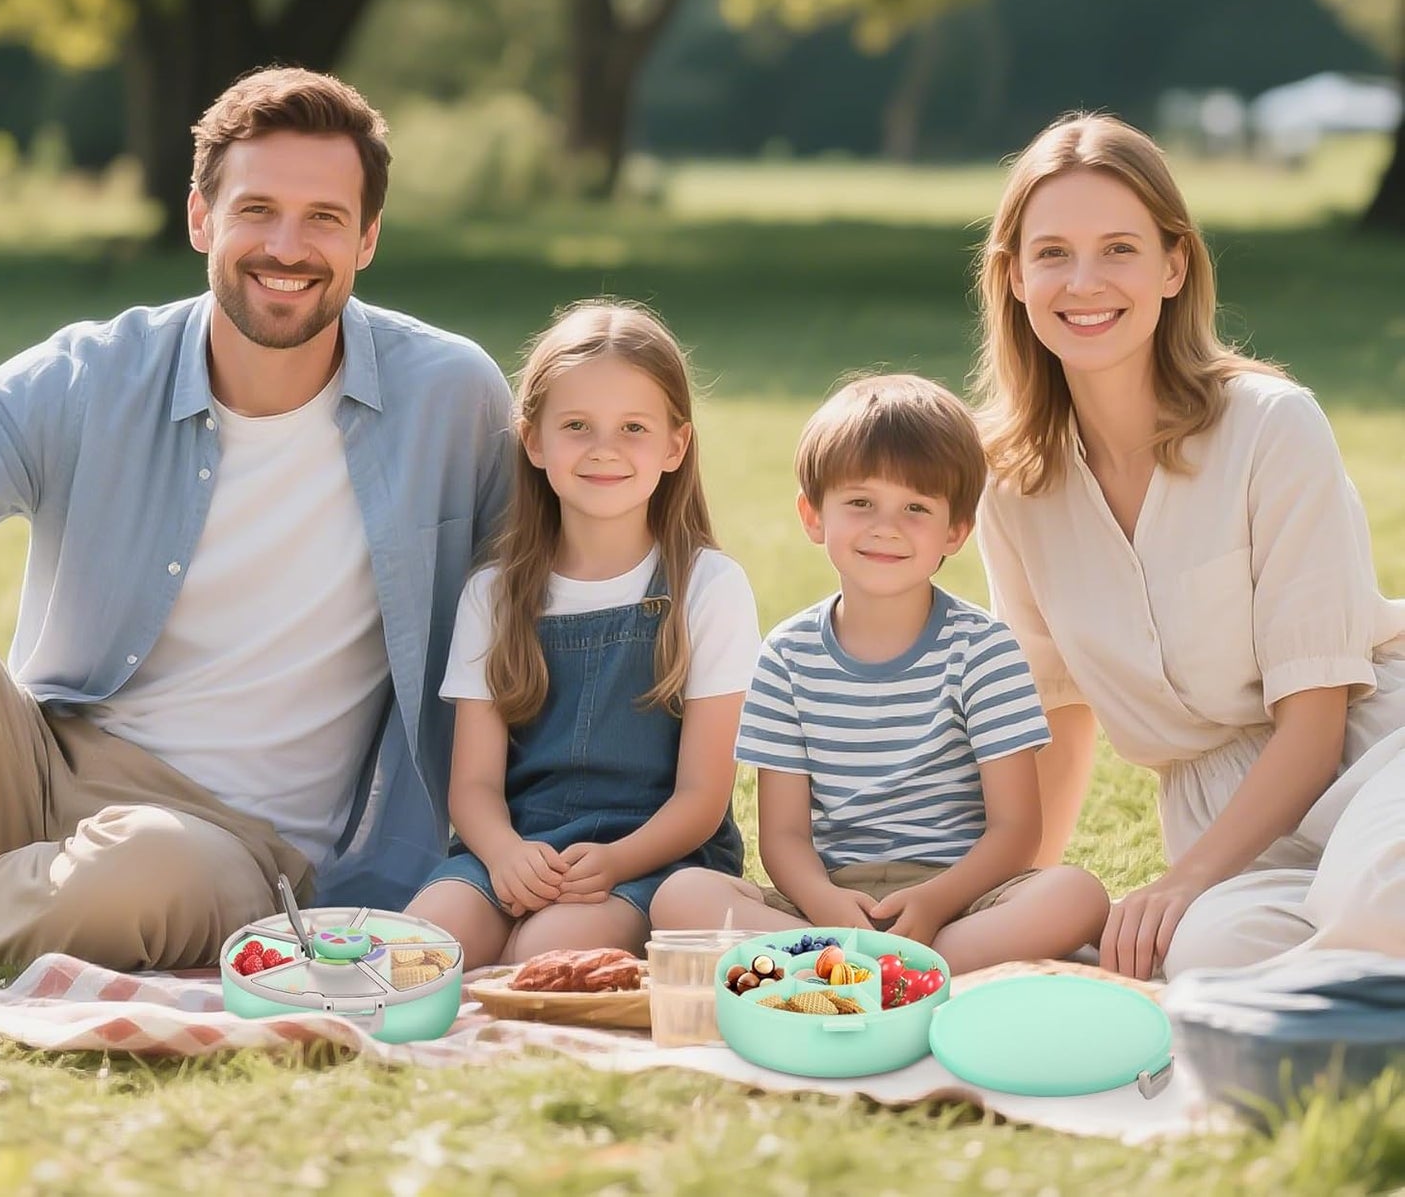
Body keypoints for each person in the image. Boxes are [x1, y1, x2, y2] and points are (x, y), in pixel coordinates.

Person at [0, 67, 513, 971]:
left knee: (141, 874)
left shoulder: (450, 397)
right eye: (256, 209)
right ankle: (22, 892)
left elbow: (549, 611)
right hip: (40, 762)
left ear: (367, 237)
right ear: (199, 218)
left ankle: (37, 897)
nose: (286, 247)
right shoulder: (94, 373)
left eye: (324, 218)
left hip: (227, 847)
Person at [972, 112, 1405, 981]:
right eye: (1051, 252)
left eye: (1119, 249)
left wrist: (1185, 878)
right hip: (1222, 822)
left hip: (1372, 757)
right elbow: (1056, 714)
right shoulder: (1009, 482)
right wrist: (1020, 905)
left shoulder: (1271, 427)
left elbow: (1315, 722)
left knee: (1375, 904)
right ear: (1014, 276)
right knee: (1203, 960)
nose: (1083, 281)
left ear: (1174, 265)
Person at [650, 375, 1109, 974]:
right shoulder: (786, 656)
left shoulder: (984, 649)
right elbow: (783, 835)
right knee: (681, 897)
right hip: (828, 901)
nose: (886, 526)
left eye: (916, 507)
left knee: (1076, 896)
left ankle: (871, 968)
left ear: (956, 531)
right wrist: (824, 903)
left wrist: (940, 900)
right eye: (860, 502)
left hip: (961, 899)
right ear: (813, 516)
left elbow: (1017, 829)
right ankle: (901, 969)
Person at [405, 299, 759, 966]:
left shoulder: (707, 587)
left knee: (543, 957)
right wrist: (506, 854)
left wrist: (615, 859)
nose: (603, 450)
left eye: (632, 427)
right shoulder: (496, 592)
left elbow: (702, 798)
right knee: (422, 948)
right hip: (517, 848)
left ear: (674, 445)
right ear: (533, 440)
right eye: (576, 425)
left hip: (651, 856)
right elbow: (473, 786)